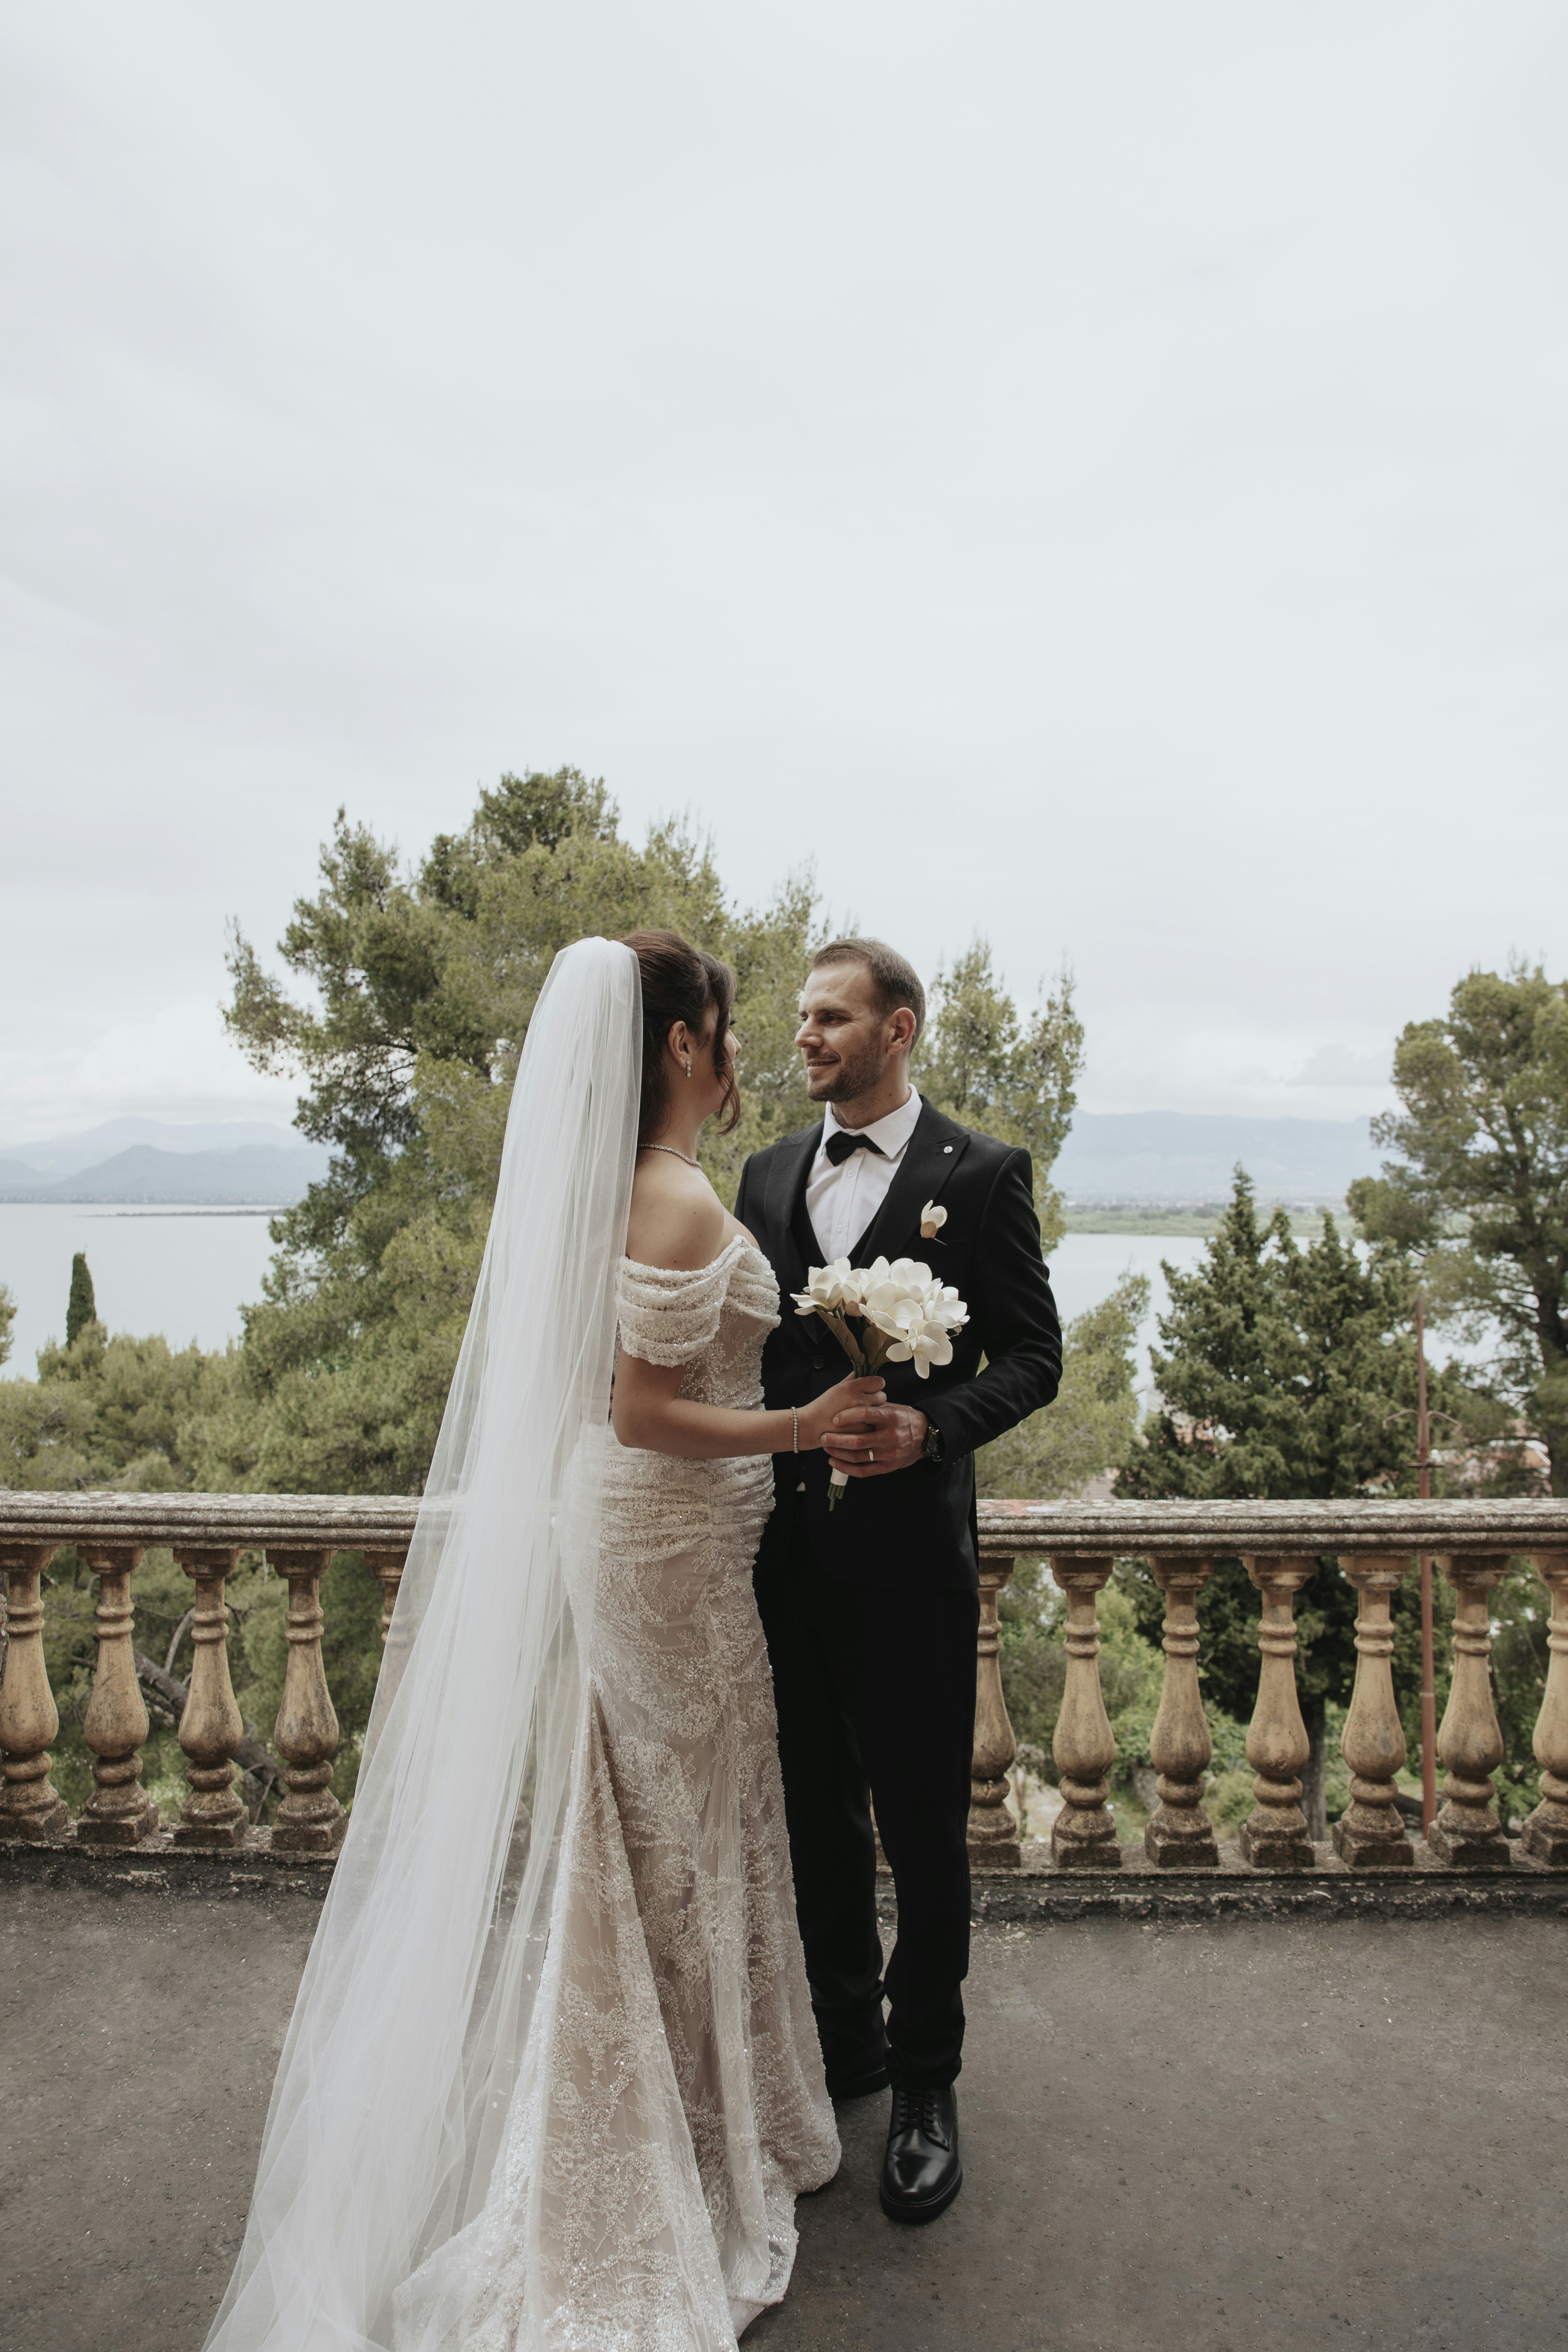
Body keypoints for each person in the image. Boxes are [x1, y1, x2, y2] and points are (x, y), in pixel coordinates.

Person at [203, 932, 881, 2352]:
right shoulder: (680, 1202)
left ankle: (703, 2108)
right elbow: (640, 1409)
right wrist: (804, 1428)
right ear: (685, 1047)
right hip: (669, 1546)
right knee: (684, 1831)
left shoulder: (609, 1188)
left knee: (653, 1828)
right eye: (726, 1024)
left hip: (653, 1541)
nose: (747, 1046)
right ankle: (679, 2136)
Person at [734, 937, 1063, 2225]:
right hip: (781, 1561)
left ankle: (928, 2082)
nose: (806, 1037)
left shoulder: (977, 1177)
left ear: (901, 1030)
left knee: (923, 1833)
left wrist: (936, 1427)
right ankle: (846, 2047)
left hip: (913, 1569)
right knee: (812, 1816)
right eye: (802, 1018)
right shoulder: (765, 1175)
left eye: (831, 1017)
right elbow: (757, 1363)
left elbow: (1036, 1358)